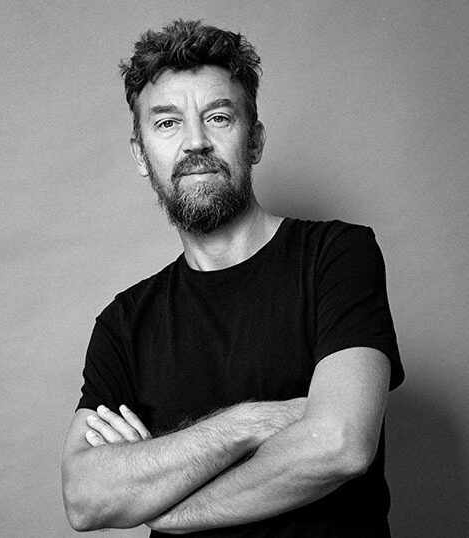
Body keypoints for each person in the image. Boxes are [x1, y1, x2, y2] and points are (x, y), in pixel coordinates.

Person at [61, 19, 404, 537]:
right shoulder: (124, 323)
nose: (196, 142)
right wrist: (254, 422)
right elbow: (85, 499)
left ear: (255, 140)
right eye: (168, 123)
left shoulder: (336, 255)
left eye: (218, 117)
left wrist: (169, 509)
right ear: (141, 154)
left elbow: (340, 444)